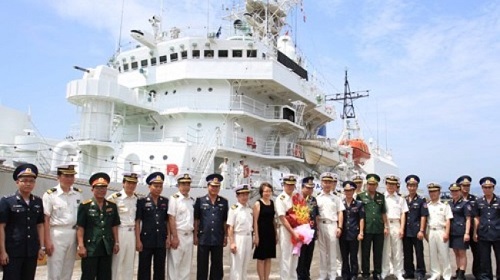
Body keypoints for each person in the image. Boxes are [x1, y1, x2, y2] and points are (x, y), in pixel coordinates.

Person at [0, 163, 45, 280]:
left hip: (31, 251)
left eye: (31, 181)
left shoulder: (38, 202)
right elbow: (1, 227)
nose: (28, 184)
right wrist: (2, 251)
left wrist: (42, 247)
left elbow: (40, 225)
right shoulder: (7, 201)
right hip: (13, 251)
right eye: (24, 180)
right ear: (17, 182)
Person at [77, 172, 120, 280]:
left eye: (104, 187)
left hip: (106, 246)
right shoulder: (85, 206)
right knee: (88, 275)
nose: (101, 190)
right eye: (98, 187)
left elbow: (114, 226)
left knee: (105, 276)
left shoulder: (112, 206)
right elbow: (80, 227)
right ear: (92, 189)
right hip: (91, 247)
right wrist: (81, 245)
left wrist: (116, 242)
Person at [42, 164, 82, 280]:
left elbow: (81, 217)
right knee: (55, 269)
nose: (70, 179)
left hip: (73, 233)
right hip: (57, 233)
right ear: (58, 177)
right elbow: (46, 219)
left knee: (68, 269)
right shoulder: (50, 195)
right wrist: (47, 241)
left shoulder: (78, 193)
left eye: (72, 176)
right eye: (66, 176)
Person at [194, 173, 229, 280]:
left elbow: (224, 221)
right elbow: (196, 220)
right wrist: (195, 235)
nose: (214, 188)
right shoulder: (200, 201)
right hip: (203, 238)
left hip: (217, 238)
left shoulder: (224, 202)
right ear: (207, 186)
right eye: (212, 186)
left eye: (217, 186)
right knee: (202, 265)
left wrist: (225, 236)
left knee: (217, 266)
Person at [135, 171, 169, 280]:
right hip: (146, 240)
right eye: (156, 186)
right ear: (149, 187)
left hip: (161, 239)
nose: (158, 188)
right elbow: (137, 222)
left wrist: (168, 237)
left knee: (160, 268)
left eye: (160, 186)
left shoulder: (165, 201)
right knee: (144, 268)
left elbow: (167, 221)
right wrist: (138, 240)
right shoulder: (142, 201)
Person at [107, 172, 139, 280]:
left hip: (132, 233)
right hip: (120, 232)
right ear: (123, 183)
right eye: (129, 182)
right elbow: (108, 219)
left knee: (129, 264)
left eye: (134, 183)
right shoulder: (114, 198)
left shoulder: (136, 199)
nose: (131, 185)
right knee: (116, 263)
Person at [356, 173, 388, 280]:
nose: (372, 186)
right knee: (365, 252)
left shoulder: (381, 197)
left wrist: (386, 226)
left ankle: (377, 272)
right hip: (366, 228)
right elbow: (358, 214)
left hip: (378, 228)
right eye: (370, 184)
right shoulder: (360, 196)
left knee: (378, 252)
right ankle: (365, 272)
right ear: (367, 185)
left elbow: (383, 213)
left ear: (377, 185)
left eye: (374, 184)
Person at [316, 172, 345, 280]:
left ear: (332, 183)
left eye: (329, 182)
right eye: (325, 182)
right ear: (321, 183)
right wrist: (316, 229)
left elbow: (340, 212)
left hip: (332, 225)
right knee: (322, 252)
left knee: (332, 252)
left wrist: (340, 227)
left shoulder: (336, 198)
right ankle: (323, 274)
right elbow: (315, 214)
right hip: (321, 225)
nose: (327, 184)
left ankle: (332, 274)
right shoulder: (317, 198)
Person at [167, 173, 195, 280]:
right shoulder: (174, 199)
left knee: (186, 267)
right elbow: (171, 218)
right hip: (178, 234)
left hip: (189, 236)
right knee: (175, 265)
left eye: (188, 184)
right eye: (183, 184)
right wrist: (174, 237)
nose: (185, 186)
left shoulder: (191, 200)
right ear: (178, 185)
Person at [381, 175, 408, 280]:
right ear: (386, 185)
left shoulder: (401, 199)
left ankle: (398, 272)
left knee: (397, 250)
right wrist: (384, 226)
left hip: (396, 224)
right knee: (385, 250)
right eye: (389, 184)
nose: (391, 186)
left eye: (393, 184)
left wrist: (402, 228)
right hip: (386, 225)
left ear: (396, 185)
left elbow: (403, 214)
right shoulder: (382, 197)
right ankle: (385, 271)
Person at [473, 177, 500, 280]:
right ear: (482, 188)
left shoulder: (498, 201)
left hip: (497, 234)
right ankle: (486, 277)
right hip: (483, 234)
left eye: (489, 187)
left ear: (493, 188)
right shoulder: (479, 201)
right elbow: (476, 218)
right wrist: (475, 232)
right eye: (485, 187)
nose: (487, 189)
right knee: (484, 259)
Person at [402, 175, 428, 280]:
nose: (412, 188)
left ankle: (420, 272)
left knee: (419, 253)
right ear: (407, 187)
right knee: (407, 253)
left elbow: (423, 216)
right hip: (406, 231)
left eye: (414, 186)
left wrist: (422, 230)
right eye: (410, 186)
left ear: (417, 187)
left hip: (417, 231)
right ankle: (409, 271)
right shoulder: (404, 200)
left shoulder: (421, 200)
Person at [275, 174, 301, 279]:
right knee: (286, 257)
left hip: (297, 229)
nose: (290, 187)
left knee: (295, 256)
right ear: (284, 185)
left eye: (292, 185)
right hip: (286, 230)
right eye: (288, 185)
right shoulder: (280, 198)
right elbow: (282, 218)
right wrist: (293, 232)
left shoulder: (296, 197)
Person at [426, 182, 452, 280]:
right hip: (431, 231)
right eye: (431, 192)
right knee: (432, 254)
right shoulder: (427, 205)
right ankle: (435, 274)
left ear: (439, 192)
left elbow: (448, 220)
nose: (433, 194)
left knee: (444, 254)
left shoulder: (445, 205)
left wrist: (447, 233)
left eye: (435, 191)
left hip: (442, 231)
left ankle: (446, 275)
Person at [339, 180, 365, 280]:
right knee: (344, 256)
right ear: (344, 191)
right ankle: (345, 274)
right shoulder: (341, 203)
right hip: (343, 233)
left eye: (350, 190)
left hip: (354, 233)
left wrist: (361, 232)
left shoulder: (359, 204)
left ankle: (354, 274)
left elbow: (361, 218)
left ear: (353, 191)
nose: (348, 192)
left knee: (353, 256)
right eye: (346, 190)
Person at [227, 184, 253, 280]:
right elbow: (230, 227)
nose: (244, 197)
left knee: (245, 265)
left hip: (248, 237)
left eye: (246, 194)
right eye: (242, 195)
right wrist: (232, 242)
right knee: (236, 266)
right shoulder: (234, 209)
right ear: (237, 196)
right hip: (238, 237)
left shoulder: (249, 209)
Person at [456, 175, 479, 279]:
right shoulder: (456, 199)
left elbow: (477, 216)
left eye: (468, 185)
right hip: (460, 231)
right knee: (459, 253)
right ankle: (460, 273)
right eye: (463, 185)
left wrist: (475, 232)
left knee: (477, 253)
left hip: (472, 229)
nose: (466, 187)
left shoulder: (474, 199)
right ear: (459, 186)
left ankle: (477, 273)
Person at [252, 182, 277, 280]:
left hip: (270, 232)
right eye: (265, 191)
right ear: (261, 192)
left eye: (269, 191)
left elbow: (273, 219)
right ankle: (261, 278)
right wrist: (256, 236)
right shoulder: (258, 203)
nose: (267, 193)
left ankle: (266, 278)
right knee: (261, 258)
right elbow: (255, 221)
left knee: (268, 257)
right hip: (261, 233)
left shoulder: (272, 203)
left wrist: (276, 234)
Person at [296, 177, 319, 280]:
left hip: (311, 231)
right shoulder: (296, 198)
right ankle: (300, 275)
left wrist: (316, 230)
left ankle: (307, 274)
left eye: (311, 188)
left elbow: (316, 215)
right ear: (302, 187)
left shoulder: (313, 199)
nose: (310, 190)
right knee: (301, 255)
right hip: (301, 231)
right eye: (308, 188)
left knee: (309, 254)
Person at [448, 183, 471, 280]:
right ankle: (458, 271)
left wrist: (467, 233)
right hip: (452, 232)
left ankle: (462, 273)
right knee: (456, 252)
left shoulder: (465, 203)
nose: (454, 192)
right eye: (452, 191)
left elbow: (468, 219)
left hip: (461, 232)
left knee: (462, 253)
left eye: (456, 190)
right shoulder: (449, 203)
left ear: (460, 191)